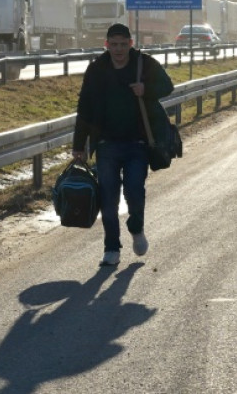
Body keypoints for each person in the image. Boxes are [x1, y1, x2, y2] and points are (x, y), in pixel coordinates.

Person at [72, 23, 174, 267]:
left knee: (134, 191)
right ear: (106, 45)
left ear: (131, 43)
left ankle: (136, 227)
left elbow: (167, 86)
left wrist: (145, 89)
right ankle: (111, 248)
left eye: (123, 44)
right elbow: (84, 109)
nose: (118, 50)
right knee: (108, 196)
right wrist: (79, 145)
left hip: (138, 144)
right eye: (113, 45)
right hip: (106, 144)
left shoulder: (144, 64)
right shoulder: (97, 70)